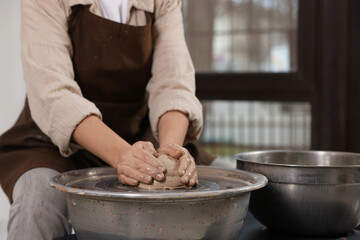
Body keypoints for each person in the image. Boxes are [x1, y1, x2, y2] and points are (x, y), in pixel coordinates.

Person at [0, 0, 214, 239]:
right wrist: (123, 156)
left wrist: (169, 155)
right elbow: (54, 94)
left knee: (220, 195)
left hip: (139, 140)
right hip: (53, 143)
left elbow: (173, 83)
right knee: (36, 207)